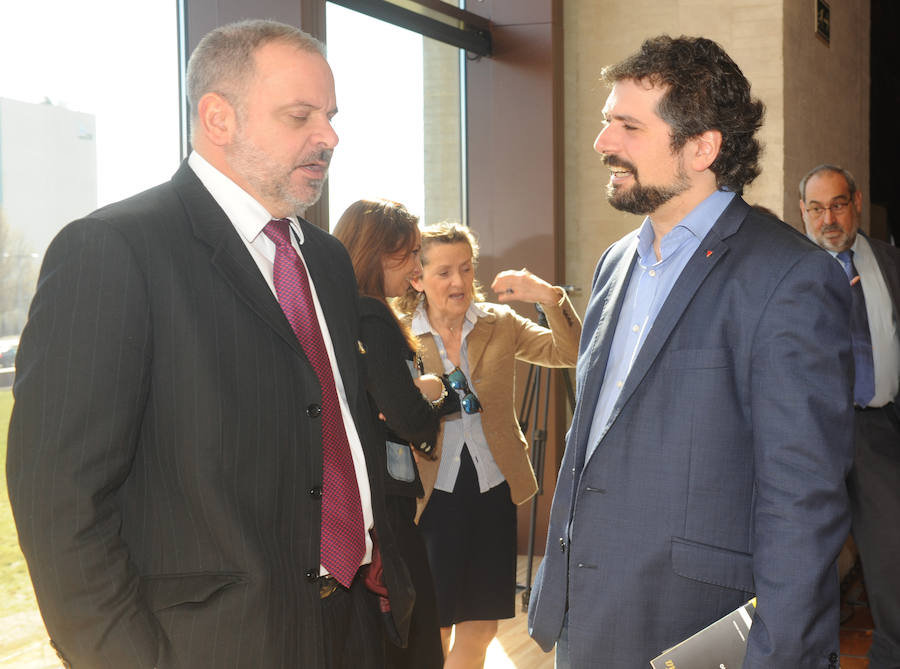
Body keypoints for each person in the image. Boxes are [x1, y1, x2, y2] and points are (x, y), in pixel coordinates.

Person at [6, 19, 412, 669]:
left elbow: (336, 421)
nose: (329, 136)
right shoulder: (114, 251)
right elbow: (61, 502)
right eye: (300, 115)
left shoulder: (328, 261)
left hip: (355, 627)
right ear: (218, 118)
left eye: (331, 116)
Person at [527, 35, 855, 669]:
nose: (603, 144)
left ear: (702, 147)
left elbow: (802, 500)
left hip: (695, 628)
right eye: (605, 122)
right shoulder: (615, 263)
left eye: (627, 126)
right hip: (588, 618)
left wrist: (782, 655)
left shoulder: (791, 277)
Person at [394, 221, 581, 669]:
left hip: (493, 488)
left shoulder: (499, 324)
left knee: (481, 625)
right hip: (428, 496)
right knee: (433, 623)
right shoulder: (397, 333)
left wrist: (549, 298)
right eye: (443, 272)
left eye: (465, 268)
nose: (458, 282)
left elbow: (571, 352)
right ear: (417, 279)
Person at [333, 198, 458, 669]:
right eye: (405, 255)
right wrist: (436, 391)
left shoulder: (335, 312)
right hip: (386, 508)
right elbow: (406, 417)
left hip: (357, 502)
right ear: (373, 254)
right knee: (415, 640)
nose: (414, 265)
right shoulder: (371, 315)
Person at [799, 164, 900, 669]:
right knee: (806, 554)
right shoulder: (790, 270)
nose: (828, 218)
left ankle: (890, 653)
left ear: (856, 202)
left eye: (837, 204)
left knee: (889, 550)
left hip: (877, 430)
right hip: (809, 434)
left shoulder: (888, 260)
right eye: (816, 208)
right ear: (803, 213)